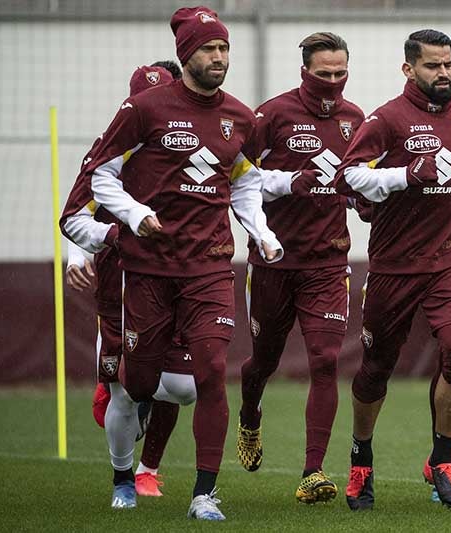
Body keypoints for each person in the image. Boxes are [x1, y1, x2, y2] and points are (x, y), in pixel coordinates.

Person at [81, 6, 282, 521]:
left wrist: (259, 232)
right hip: (147, 269)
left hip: (212, 267)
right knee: (139, 384)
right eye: (208, 48)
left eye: (224, 48)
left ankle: (204, 495)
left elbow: (245, 181)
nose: (219, 57)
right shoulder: (143, 110)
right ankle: (124, 476)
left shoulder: (241, 118)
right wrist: (134, 214)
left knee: (212, 372)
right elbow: (99, 177)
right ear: (185, 53)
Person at [333, 29, 451, 510]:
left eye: (448, 65)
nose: (443, 74)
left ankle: (442, 458)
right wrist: (403, 175)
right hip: (394, 265)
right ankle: (361, 459)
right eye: (432, 66)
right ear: (408, 69)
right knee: (377, 367)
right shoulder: (386, 119)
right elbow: (347, 175)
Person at [235, 32, 364, 504]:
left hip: (329, 264)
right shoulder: (272, 116)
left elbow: (357, 180)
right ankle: (250, 413)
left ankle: (313, 471)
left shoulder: (356, 120)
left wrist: (362, 200)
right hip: (274, 262)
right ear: (304, 72)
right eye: (323, 74)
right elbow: (238, 178)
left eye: (340, 74)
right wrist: (291, 183)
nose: (332, 83)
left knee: (326, 361)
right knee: (263, 362)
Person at [63, 62, 194, 500]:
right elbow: (77, 213)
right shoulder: (109, 149)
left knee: (183, 388)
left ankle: (148, 454)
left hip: (182, 282)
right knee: (121, 393)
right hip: (120, 290)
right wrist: (81, 251)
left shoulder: (196, 143)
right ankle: (126, 480)